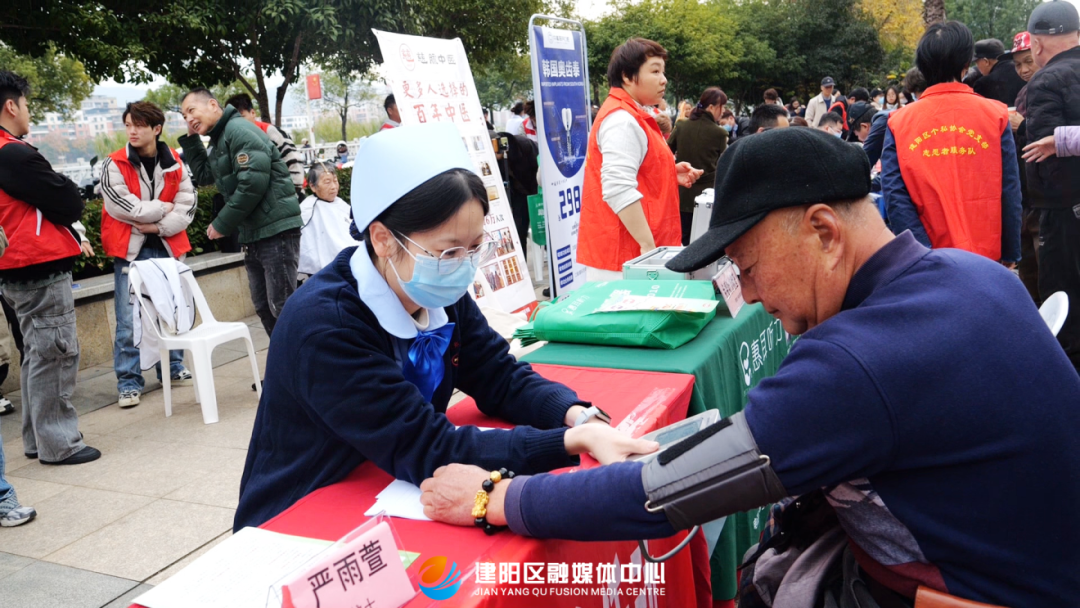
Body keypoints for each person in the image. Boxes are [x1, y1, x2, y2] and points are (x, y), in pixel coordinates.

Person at [419, 128, 1080, 608]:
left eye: (746, 266)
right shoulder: (973, 273)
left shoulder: (857, 362)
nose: (752, 296)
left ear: (824, 231)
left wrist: (494, 498)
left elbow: (657, 495)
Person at [234, 124, 655, 529]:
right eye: (448, 251)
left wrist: (577, 414)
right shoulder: (326, 326)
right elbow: (428, 446)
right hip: (305, 511)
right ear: (382, 239)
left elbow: (498, 375)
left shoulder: (437, 291)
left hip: (387, 484)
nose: (463, 266)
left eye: (474, 248)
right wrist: (572, 442)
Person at [0, 71, 99, 465]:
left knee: (36, 355)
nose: (28, 112)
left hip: (15, 270)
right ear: (11, 105)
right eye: (26, 104)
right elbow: (70, 201)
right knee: (55, 353)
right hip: (37, 267)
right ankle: (59, 444)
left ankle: (37, 440)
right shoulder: (13, 154)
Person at [881, 22, 1022, 266]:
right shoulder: (996, 115)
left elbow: (894, 194)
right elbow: (1010, 188)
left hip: (928, 260)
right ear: (966, 64)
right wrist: (1010, 251)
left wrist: (920, 251)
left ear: (923, 66)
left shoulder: (898, 122)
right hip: (986, 257)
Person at [178, 88, 303, 339]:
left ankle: (305, 361)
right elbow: (204, 175)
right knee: (265, 308)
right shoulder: (220, 138)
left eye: (191, 110)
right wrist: (191, 139)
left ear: (213, 105)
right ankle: (284, 361)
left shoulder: (238, 130)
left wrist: (222, 223)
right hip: (254, 233)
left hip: (275, 230)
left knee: (282, 307)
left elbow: (252, 184)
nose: (188, 118)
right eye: (184, 116)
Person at [576, 38, 703, 281]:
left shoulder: (632, 114)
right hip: (628, 259)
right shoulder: (622, 120)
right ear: (627, 76)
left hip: (637, 255)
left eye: (663, 72)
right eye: (655, 71)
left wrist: (669, 171)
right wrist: (648, 249)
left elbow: (636, 169)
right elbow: (617, 188)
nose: (663, 80)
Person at [99, 101, 195, 408]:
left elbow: (188, 206)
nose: (132, 131)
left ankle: (173, 366)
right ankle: (128, 381)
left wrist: (156, 226)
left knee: (173, 309)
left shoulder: (176, 163)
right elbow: (124, 207)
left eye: (139, 125)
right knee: (129, 319)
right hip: (130, 250)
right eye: (128, 125)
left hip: (166, 244)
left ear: (156, 129)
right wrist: (162, 208)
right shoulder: (114, 164)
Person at [1022, 0, 1080, 371]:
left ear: (1037, 44)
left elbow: (1043, 164)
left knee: (1067, 307)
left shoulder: (1045, 81)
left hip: (1066, 217)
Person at [999, 31, 1043, 303]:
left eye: (1028, 61)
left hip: (1047, 196)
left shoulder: (1052, 86)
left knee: (1047, 266)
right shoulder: (1022, 94)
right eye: (1018, 64)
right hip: (1025, 193)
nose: (1023, 69)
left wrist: (1023, 126)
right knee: (1028, 268)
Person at [667, 87, 729, 245]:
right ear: (711, 107)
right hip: (707, 195)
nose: (723, 111)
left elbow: (666, 154)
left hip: (681, 192)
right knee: (703, 243)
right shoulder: (719, 133)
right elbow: (724, 164)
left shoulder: (681, 126)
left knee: (681, 240)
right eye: (722, 106)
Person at [225, 94, 305, 197]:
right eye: (233, 119)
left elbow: (294, 162)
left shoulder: (269, 132)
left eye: (241, 117)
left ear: (253, 113)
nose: (237, 123)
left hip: (284, 196)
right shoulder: (233, 140)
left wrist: (290, 193)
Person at [298, 161, 357, 280]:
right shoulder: (307, 209)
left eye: (335, 181)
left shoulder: (340, 203)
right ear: (313, 186)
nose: (334, 187)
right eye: (327, 182)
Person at [864, 68, 928, 167]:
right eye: (888, 95)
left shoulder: (895, 115)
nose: (891, 97)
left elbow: (868, 156)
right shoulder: (884, 113)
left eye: (893, 94)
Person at [971, 38, 1026, 106]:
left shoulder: (983, 84)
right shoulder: (1022, 72)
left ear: (986, 62)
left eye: (977, 62)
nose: (977, 66)